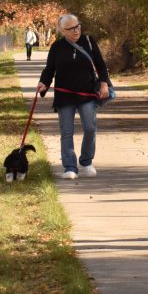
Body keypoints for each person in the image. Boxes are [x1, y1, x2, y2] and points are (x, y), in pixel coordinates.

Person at [37, 14, 111, 180]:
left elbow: (101, 65)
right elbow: (49, 69)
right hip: (65, 95)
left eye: (77, 26)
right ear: (63, 30)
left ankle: (86, 161)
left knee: (90, 128)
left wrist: (104, 83)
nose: (76, 30)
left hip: (87, 93)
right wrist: (43, 83)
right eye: (71, 29)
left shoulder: (89, 41)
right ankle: (70, 167)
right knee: (67, 131)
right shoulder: (57, 47)